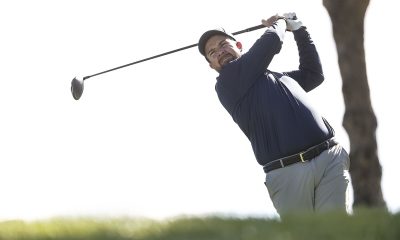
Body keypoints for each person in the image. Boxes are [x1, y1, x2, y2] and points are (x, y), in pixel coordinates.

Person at [198, 13, 351, 216]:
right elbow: (269, 43)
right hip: (287, 172)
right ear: (211, 65)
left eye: (223, 44)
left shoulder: (278, 78)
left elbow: (313, 74)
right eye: (212, 52)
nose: (219, 52)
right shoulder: (227, 83)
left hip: (329, 158)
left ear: (239, 46)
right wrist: (280, 23)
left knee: (339, 229)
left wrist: (299, 30)